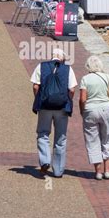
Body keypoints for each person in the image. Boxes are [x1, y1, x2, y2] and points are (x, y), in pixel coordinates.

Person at [31, 49, 77, 178]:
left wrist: (38, 99)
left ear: (52, 57)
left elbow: (35, 86)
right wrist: (67, 100)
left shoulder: (41, 66)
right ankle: (58, 171)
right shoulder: (68, 69)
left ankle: (45, 160)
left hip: (45, 106)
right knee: (61, 138)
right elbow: (72, 89)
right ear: (62, 58)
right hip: (62, 108)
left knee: (43, 133)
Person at [79, 57, 109, 180]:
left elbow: (82, 99)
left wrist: (82, 111)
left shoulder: (85, 79)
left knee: (92, 140)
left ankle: (98, 172)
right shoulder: (107, 77)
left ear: (88, 66)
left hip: (90, 110)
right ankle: (107, 171)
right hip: (106, 109)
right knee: (107, 138)